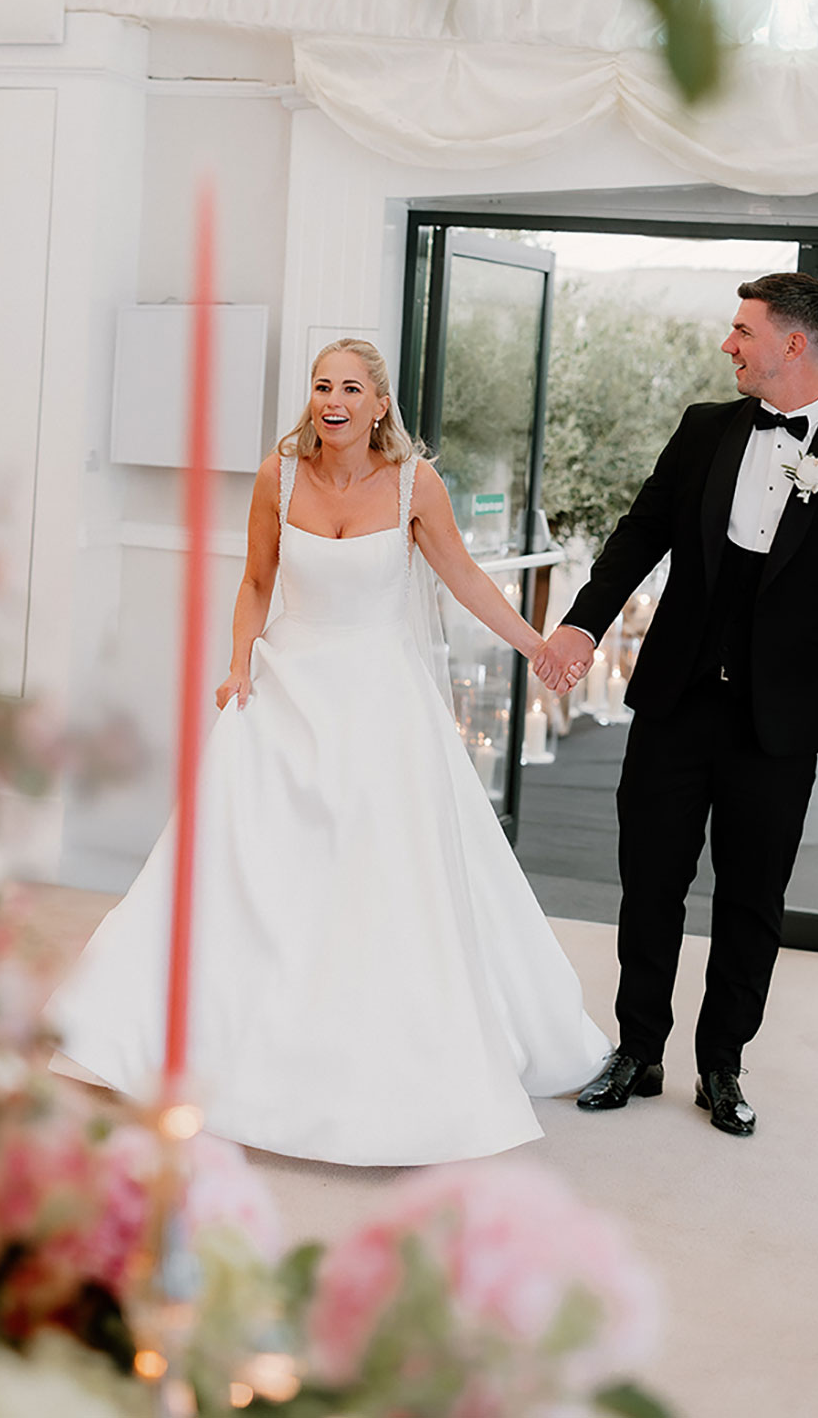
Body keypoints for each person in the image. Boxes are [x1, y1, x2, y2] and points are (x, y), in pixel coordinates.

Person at [52, 339, 608, 1166]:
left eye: (351, 387)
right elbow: (255, 582)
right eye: (321, 386)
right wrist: (238, 661)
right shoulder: (277, 476)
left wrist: (536, 645)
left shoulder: (419, 485)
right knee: (247, 875)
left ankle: (381, 1062)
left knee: (382, 880)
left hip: (382, 705)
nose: (333, 399)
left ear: (380, 404)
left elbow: (462, 577)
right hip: (284, 692)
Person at [534, 274, 818, 1137]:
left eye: (743, 330)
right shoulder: (705, 430)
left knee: (751, 898)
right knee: (650, 881)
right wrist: (583, 625)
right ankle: (637, 1048)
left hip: (778, 727)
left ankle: (721, 1065)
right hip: (675, 701)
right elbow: (638, 533)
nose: (729, 344)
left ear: (793, 345)